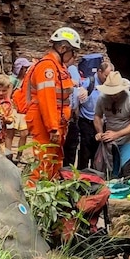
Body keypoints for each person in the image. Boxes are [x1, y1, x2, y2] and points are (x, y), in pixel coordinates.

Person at [26, 27, 81, 184]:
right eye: (73, 52)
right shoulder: (47, 67)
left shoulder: (59, 67)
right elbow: (47, 100)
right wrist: (53, 128)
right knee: (44, 162)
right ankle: (34, 198)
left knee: (54, 162)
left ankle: (50, 197)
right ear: (63, 48)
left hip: (56, 122)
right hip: (46, 123)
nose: (74, 56)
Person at [93, 71, 130, 178]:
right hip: (111, 140)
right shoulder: (102, 98)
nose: (113, 95)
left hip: (128, 139)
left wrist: (117, 134)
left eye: (116, 92)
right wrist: (100, 132)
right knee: (112, 172)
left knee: (125, 170)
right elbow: (97, 116)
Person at [77, 61, 112, 169]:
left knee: (98, 152)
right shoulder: (90, 82)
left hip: (102, 122)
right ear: (99, 72)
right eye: (106, 75)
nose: (107, 78)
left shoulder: (110, 84)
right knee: (85, 152)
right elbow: (80, 91)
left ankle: (95, 176)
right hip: (87, 121)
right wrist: (82, 91)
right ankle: (81, 177)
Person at [7, 57, 32, 163]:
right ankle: (7, 154)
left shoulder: (28, 79)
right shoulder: (13, 80)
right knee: (10, 132)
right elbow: (8, 96)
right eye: (24, 68)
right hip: (14, 109)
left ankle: (19, 155)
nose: (26, 70)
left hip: (24, 110)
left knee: (24, 133)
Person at [62, 61, 83, 166]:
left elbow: (76, 91)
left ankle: (67, 172)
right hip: (63, 115)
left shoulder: (72, 69)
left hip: (71, 116)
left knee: (70, 147)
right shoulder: (59, 70)